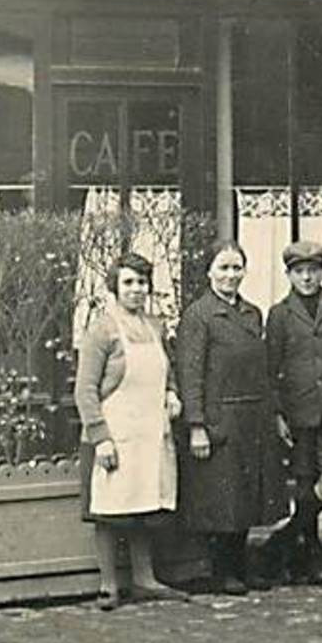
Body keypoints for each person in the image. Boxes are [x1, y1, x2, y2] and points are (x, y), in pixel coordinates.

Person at [73, 252, 192, 611]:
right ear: (114, 287)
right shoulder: (102, 329)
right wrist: (101, 437)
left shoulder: (155, 327)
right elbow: (85, 389)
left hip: (149, 432)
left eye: (142, 282)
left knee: (144, 503)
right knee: (109, 509)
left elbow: (165, 371)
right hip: (115, 433)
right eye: (128, 282)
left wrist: (171, 393)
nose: (137, 289)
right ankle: (109, 586)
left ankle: (145, 579)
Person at [177, 240, 288, 594]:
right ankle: (222, 570)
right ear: (209, 271)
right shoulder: (199, 315)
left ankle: (242, 566)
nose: (230, 275)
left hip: (252, 417)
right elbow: (190, 373)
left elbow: (265, 372)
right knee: (222, 499)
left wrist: (274, 415)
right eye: (223, 267)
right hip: (218, 419)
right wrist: (196, 426)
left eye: (236, 267)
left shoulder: (252, 313)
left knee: (247, 496)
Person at [258, 239, 322, 585]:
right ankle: (311, 553)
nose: (307, 278)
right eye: (299, 272)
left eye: (313, 271)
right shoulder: (280, 314)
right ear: (289, 275)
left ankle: (281, 541)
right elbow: (271, 368)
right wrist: (277, 413)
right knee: (304, 482)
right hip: (298, 409)